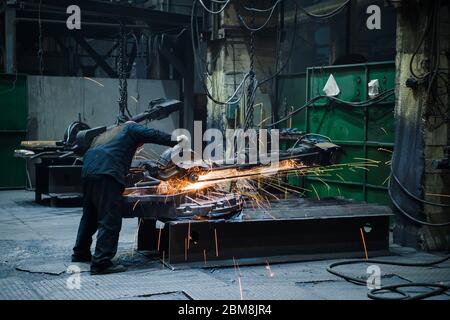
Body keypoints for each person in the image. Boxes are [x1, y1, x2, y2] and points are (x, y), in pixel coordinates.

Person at [72, 121, 186, 275]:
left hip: (88, 172)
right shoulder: (131, 128)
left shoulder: (108, 134)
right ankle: (101, 263)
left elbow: (114, 154)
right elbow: (154, 135)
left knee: (90, 215)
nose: (139, 148)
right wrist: (178, 139)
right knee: (109, 218)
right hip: (107, 173)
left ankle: (80, 252)